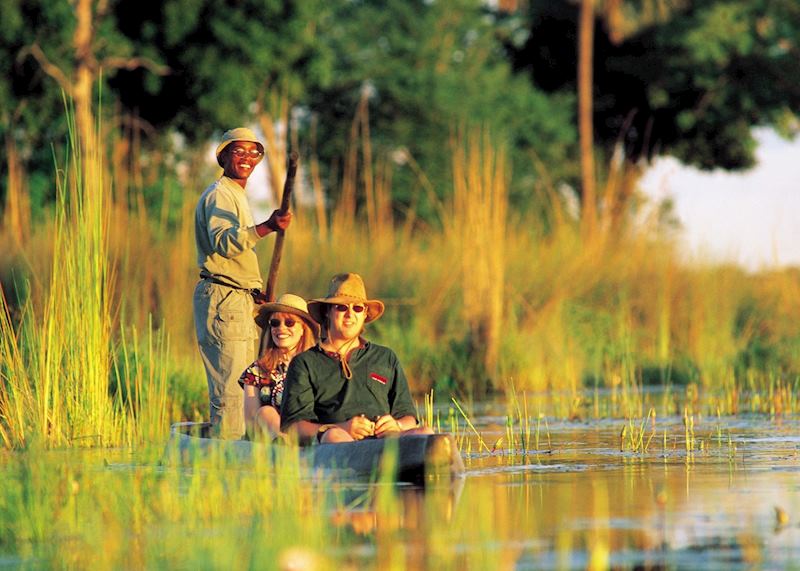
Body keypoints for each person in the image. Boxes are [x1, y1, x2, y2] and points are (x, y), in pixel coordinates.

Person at [193, 127, 292, 439]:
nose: (247, 158)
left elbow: (233, 257)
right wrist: (266, 227)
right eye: (239, 151)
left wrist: (253, 292)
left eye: (253, 152)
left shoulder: (236, 194)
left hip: (238, 299)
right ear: (223, 156)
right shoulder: (219, 194)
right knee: (233, 394)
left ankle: (242, 452)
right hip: (224, 301)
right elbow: (223, 242)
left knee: (247, 390)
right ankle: (228, 463)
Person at [280, 273, 433, 444]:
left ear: (365, 314)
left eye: (357, 308)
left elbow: (408, 418)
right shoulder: (304, 363)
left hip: (386, 442)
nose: (350, 314)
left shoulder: (386, 357)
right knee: (334, 436)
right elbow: (293, 426)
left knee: (427, 432)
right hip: (334, 444)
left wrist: (396, 425)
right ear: (327, 312)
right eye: (341, 307)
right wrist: (342, 428)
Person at [239, 293, 318, 439]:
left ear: (303, 329)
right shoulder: (256, 371)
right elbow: (251, 423)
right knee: (266, 412)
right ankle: (282, 442)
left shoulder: (318, 366)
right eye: (275, 323)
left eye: (289, 322)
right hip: (270, 441)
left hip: (309, 435)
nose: (281, 328)